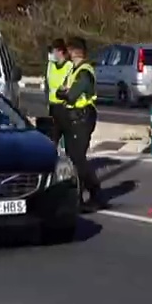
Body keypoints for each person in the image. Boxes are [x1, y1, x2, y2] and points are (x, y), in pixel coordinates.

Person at [56, 36, 106, 211]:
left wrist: (65, 93)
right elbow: (60, 90)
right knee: (73, 158)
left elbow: (70, 95)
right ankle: (78, 197)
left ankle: (96, 194)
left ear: (73, 51)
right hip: (74, 117)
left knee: (78, 158)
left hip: (83, 117)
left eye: (68, 50)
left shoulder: (84, 71)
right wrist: (64, 92)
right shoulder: (74, 70)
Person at [44, 39, 72, 152]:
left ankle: (68, 161)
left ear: (60, 51)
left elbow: (69, 86)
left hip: (64, 107)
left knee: (66, 137)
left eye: (53, 51)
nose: (51, 54)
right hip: (52, 107)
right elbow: (47, 85)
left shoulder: (69, 66)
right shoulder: (50, 65)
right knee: (53, 138)